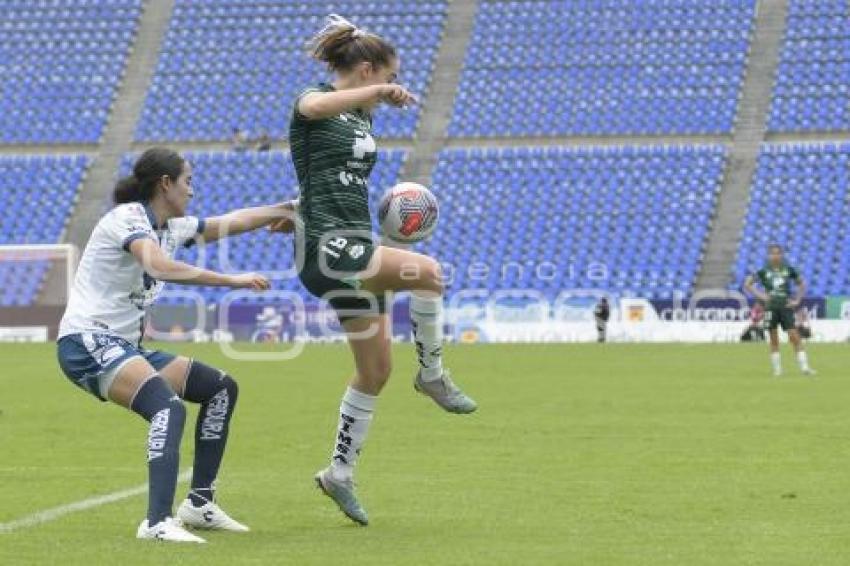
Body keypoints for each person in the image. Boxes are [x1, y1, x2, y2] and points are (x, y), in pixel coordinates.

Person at [272, 14, 477, 526]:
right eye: (387, 76)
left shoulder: (362, 118)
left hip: (349, 242)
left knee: (375, 370)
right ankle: (432, 375)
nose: (391, 88)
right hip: (329, 247)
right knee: (428, 273)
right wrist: (384, 90)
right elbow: (314, 108)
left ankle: (339, 473)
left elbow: (326, 175)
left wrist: (299, 202)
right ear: (367, 72)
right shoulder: (313, 99)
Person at [56, 147, 290, 542]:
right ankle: (157, 522)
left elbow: (229, 223)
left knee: (220, 388)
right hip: (87, 340)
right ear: (165, 184)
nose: (192, 191)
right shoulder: (126, 218)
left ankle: (199, 504)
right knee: (167, 406)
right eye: (188, 181)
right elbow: (158, 266)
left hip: (125, 345)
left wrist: (288, 209)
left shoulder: (172, 228)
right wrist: (232, 280)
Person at [743, 244, 815, 376]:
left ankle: (805, 367)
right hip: (771, 308)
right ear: (769, 255)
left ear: (781, 255)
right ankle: (777, 370)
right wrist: (762, 296)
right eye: (772, 253)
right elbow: (747, 284)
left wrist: (797, 300)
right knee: (773, 338)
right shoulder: (764, 270)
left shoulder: (788, 269)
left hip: (785, 307)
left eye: (778, 253)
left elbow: (802, 284)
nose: (775, 256)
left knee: (794, 336)